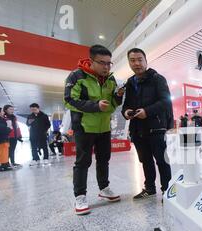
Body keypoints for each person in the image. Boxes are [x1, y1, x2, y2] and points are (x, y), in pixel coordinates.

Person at [64, 45, 123, 215]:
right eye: (102, 63)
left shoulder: (111, 80)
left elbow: (111, 106)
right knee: (83, 162)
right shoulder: (77, 76)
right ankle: (80, 196)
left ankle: (104, 188)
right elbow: (69, 100)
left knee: (104, 158)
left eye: (109, 63)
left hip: (104, 127)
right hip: (84, 127)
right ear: (91, 62)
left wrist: (117, 98)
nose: (106, 67)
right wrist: (95, 106)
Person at [122, 48, 173, 200]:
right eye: (132, 60)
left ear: (145, 60)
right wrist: (126, 112)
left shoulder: (158, 78)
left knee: (162, 161)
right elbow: (126, 105)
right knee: (145, 161)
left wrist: (147, 111)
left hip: (156, 127)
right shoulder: (130, 83)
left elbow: (165, 102)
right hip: (137, 129)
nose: (136, 63)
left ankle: (167, 190)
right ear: (129, 63)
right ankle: (150, 188)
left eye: (139, 59)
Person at [0, 107, 12, 172]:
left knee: (4, 153)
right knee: (1, 153)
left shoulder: (1, 119)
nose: (3, 113)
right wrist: (9, 127)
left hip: (3, 139)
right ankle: (1, 166)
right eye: (2, 111)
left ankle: (5, 165)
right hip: (1, 140)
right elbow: (1, 129)